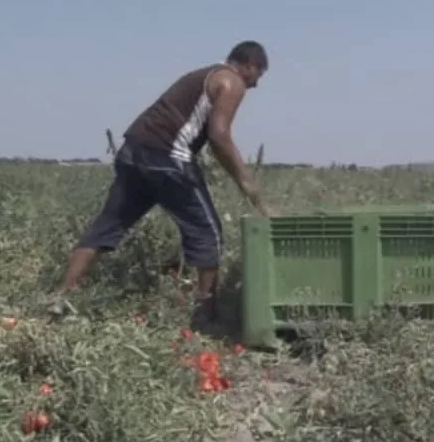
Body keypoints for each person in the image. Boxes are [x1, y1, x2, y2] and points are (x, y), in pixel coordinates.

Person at [46, 40, 273, 329]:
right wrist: (246, 181)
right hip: (167, 156)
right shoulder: (231, 81)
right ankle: (205, 319)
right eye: (258, 75)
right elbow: (219, 136)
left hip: (133, 152)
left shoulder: (204, 74)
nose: (255, 84)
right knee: (209, 233)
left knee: (106, 228)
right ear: (249, 65)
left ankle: (59, 298)